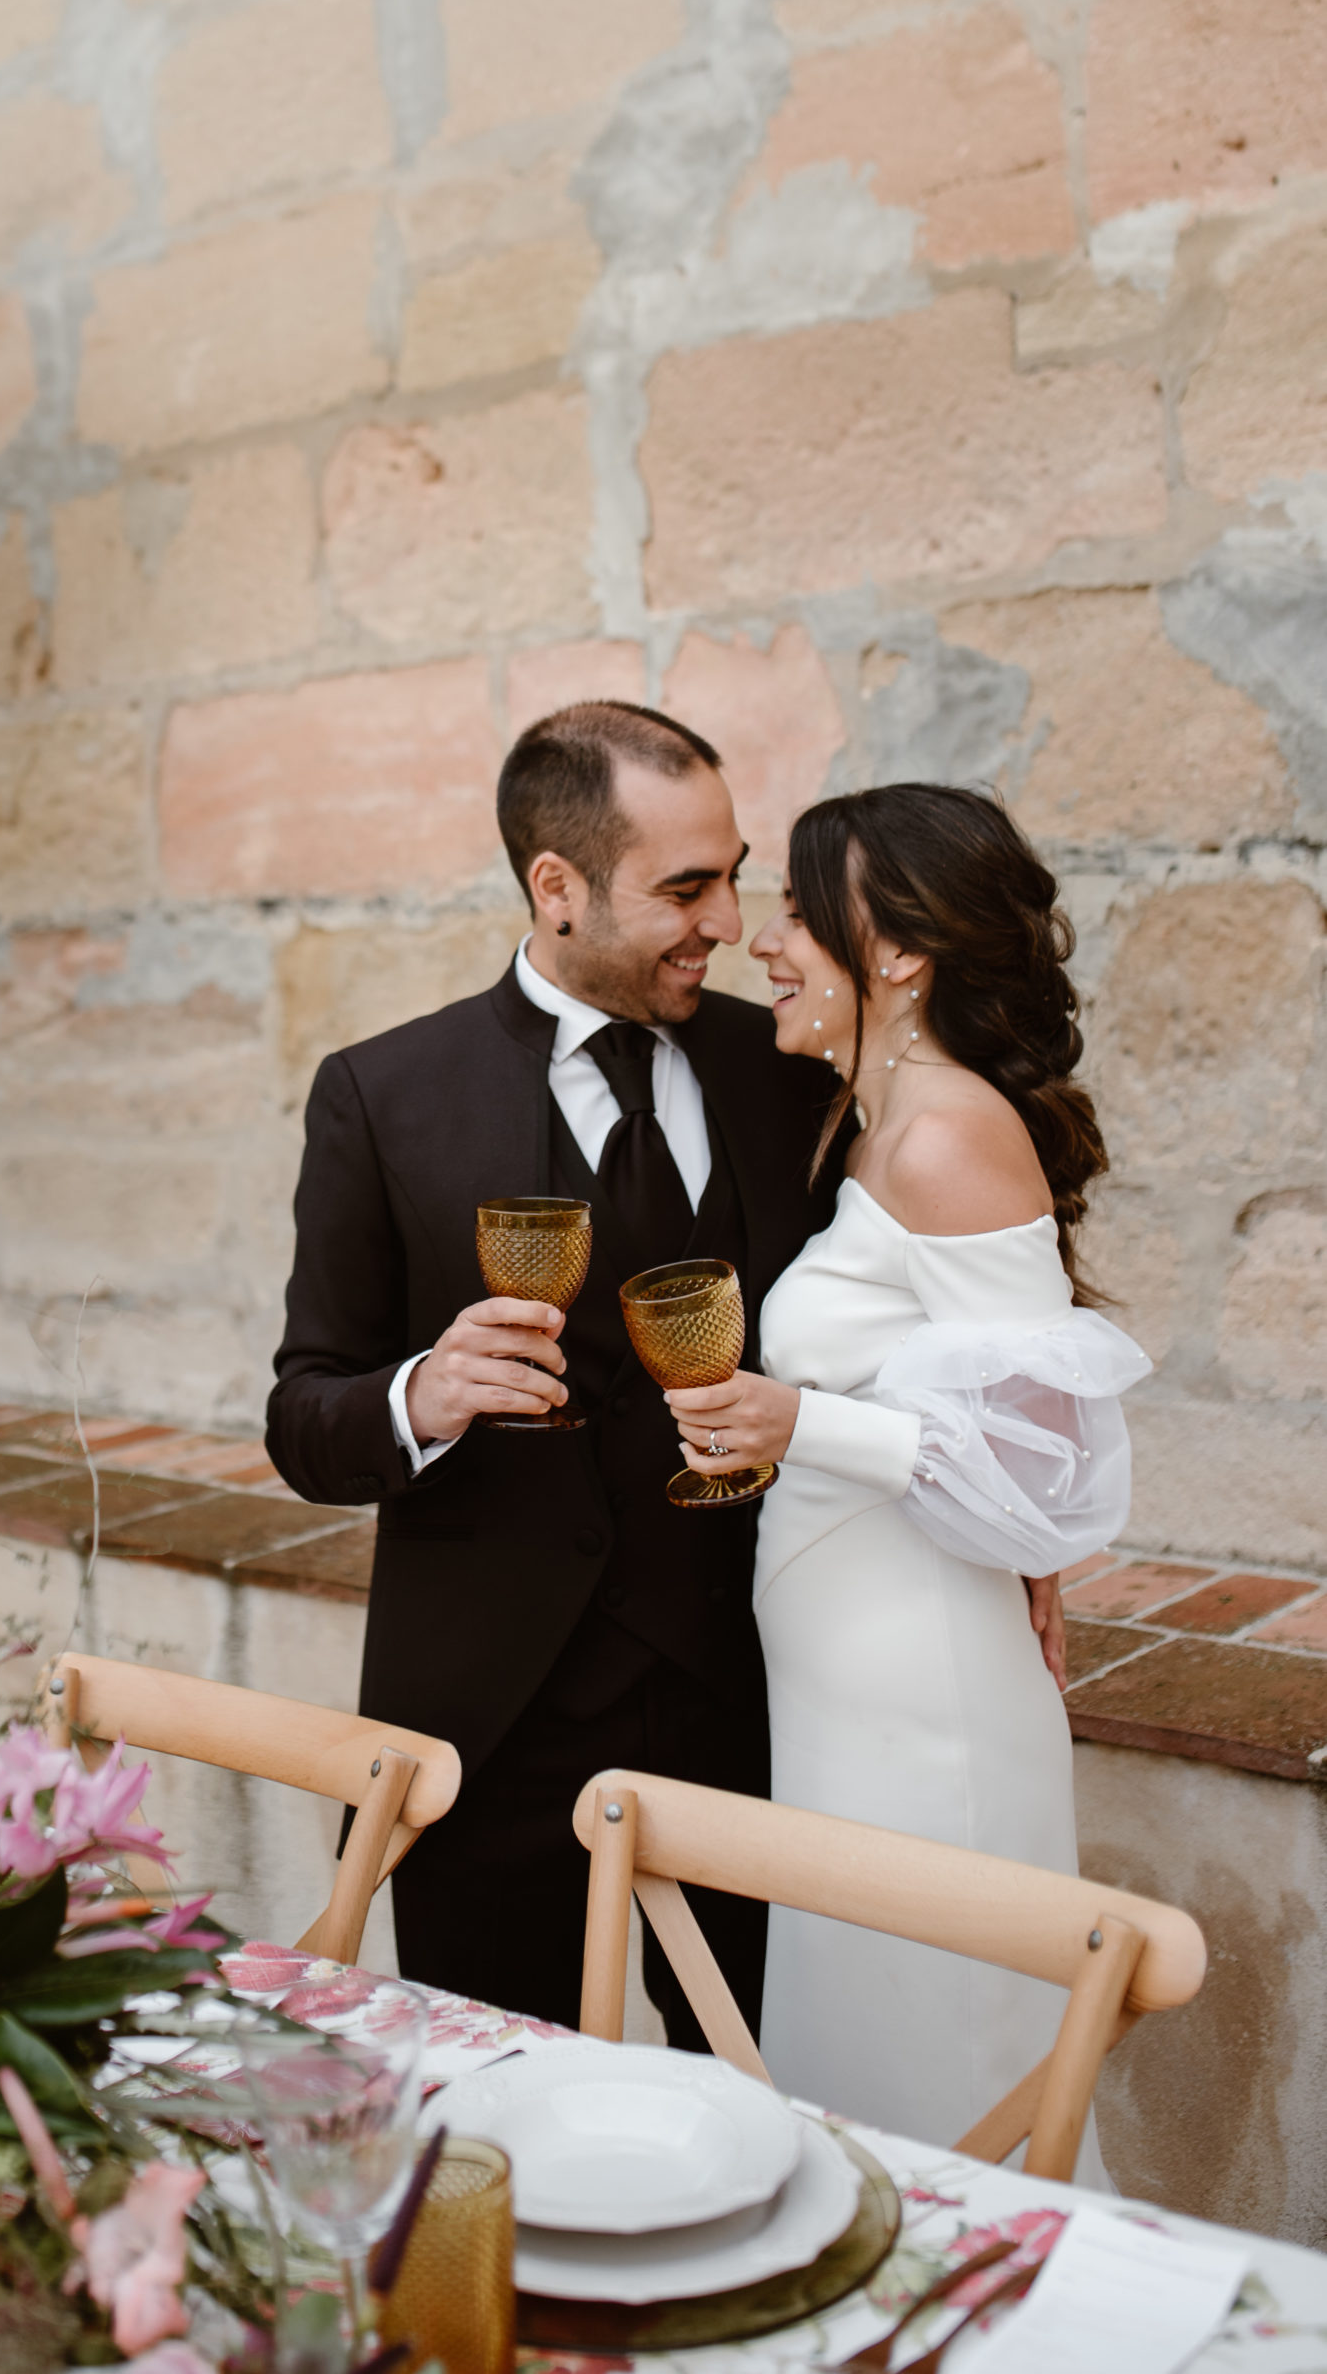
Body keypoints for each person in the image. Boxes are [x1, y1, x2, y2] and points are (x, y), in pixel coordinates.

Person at [265, 701, 846, 2039]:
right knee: (504, 2124)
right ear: (556, 887)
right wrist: (422, 1391)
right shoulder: (382, 1094)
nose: (727, 918)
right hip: (493, 1726)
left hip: (758, 1700)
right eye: (685, 887)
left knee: (774, 2098)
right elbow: (304, 1416)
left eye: (733, 872)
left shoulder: (788, 1074)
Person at [665, 782, 1148, 2166]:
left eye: (799, 915)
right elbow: (977, 1397)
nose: (765, 942)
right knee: (863, 2076)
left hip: (923, 1703)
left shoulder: (946, 1132)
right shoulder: (871, 1125)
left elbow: (1042, 1455)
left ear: (895, 954)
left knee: (949, 2082)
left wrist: (792, 1423)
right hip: (848, 1687)